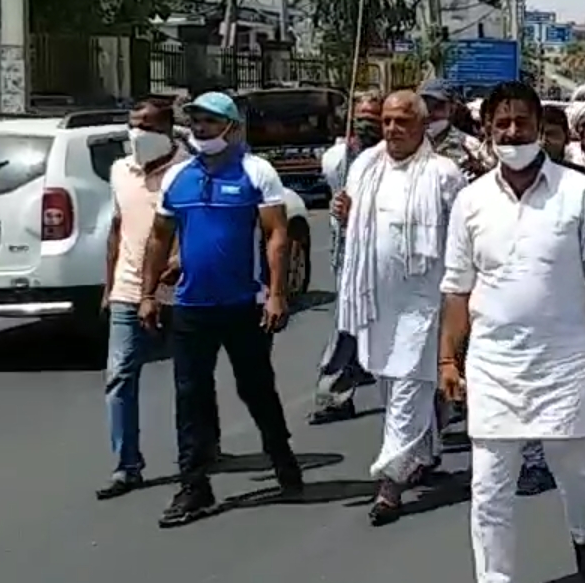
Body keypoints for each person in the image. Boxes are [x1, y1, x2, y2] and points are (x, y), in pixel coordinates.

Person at [439, 81, 585, 583]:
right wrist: (450, 360)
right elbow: (456, 288)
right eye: (503, 124)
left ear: (539, 127)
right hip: (495, 365)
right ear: (488, 129)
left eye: (523, 122)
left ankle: (584, 535)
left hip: (565, 361)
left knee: (577, 474)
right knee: (490, 484)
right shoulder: (471, 202)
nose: (513, 133)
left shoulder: (579, 194)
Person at [140, 91, 302, 528]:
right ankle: (194, 485)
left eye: (210, 121)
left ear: (230, 126)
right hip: (192, 306)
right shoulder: (178, 179)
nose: (201, 128)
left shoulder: (255, 172)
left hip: (241, 305)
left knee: (255, 388)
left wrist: (276, 293)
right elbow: (158, 237)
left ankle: (281, 455)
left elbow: (276, 235)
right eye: (195, 121)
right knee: (189, 395)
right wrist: (148, 293)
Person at [332, 90, 465, 524]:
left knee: (409, 385)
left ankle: (390, 484)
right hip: (375, 299)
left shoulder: (444, 173)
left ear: (423, 126)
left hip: (424, 303)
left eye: (402, 121)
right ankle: (425, 452)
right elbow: (357, 225)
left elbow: (463, 237)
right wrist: (342, 214)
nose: (391, 129)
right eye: (387, 120)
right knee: (392, 386)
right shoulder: (366, 166)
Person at [97, 99, 183, 500]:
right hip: (128, 291)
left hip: (181, 293)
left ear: (167, 128)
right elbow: (117, 229)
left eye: (147, 126)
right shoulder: (120, 171)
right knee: (119, 376)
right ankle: (126, 465)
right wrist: (108, 285)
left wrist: (182, 259)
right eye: (133, 124)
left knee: (189, 378)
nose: (138, 133)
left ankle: (199, 451)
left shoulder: (187, 170)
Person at [311, 91, 384, 426]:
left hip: (389, 256)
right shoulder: (338, 159)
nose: (368, 124)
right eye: (362, 117)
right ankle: (334, 393)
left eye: (374, 117)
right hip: (350, 255)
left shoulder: (395, 158)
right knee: (348, 323)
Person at [419, 77, 491, 177]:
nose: (430, 113)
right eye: (425, 105)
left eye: (437, 106)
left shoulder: (470, 146)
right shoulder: (411, 142)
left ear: (452, 108)